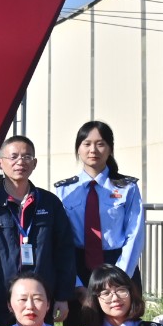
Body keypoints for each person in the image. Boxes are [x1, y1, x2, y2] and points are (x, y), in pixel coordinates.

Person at [0, 135, 75, 326]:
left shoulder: (50, 203)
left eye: (26, 157)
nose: (20, 162)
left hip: (40, 300)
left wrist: (62, 296)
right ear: (0, 163)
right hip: (0, 302)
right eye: (13, 157)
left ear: (34, 163)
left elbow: (64, 252)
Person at [56, 120, 145, 289]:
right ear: (78, 149)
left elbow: (135, 234)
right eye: (87, 144)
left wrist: (120, 277)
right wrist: (75, 282)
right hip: (77, 266)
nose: (93, 150)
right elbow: (60, 238)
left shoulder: (127, 188)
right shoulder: (64, 190)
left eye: (100, 144)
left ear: (110, 149)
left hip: (118, 263)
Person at [75, 265, 163, 326]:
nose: (115, 298)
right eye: (106, 293)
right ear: (96, 299)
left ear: (131, 293)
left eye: (121, 290)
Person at [0, 272, 65, 326]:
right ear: (9, 305)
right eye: (23, 299)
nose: (30, 306)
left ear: (48, 304)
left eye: (37, 299)